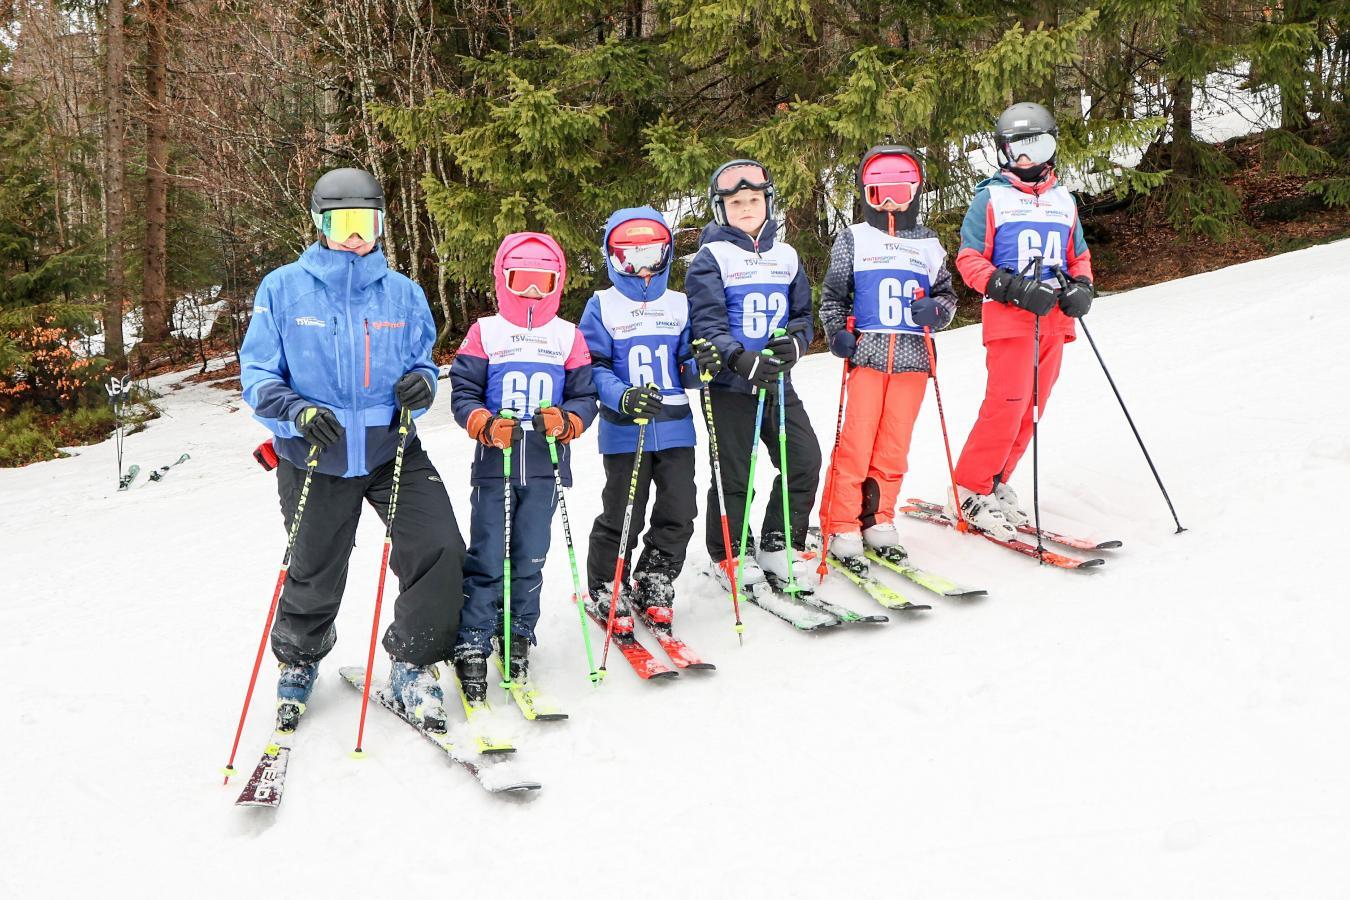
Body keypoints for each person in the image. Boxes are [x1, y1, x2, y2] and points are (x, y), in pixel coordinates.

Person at [240, 167, 466, 733]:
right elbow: (258, 372)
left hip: (392, 449)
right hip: (315, 454)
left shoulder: (403, 293)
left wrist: (423, 384)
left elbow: (422, 360)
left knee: (439, 547)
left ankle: (414, 661)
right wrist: (295, 411)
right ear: (320, 224)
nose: (356, 236)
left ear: (382, 224)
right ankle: (299, 658)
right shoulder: (283, 288)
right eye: (342, 224)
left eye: (366, 222)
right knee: (314, 567)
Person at [449, 231, 598, 700]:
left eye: (542, 282)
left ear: (557, 282)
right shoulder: (485, 331)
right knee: (488, 554)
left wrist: (568, 420)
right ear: (503, 279)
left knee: (531, 554)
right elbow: (463, 392)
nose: (532, 292)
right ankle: (473, 638)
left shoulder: (568, 335)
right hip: (496, 462)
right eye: (522, 281)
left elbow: (585, 396)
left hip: (544, 464)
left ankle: (516, 632)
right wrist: (483, 423)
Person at [949, 102, 1096, 539]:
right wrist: (1011, 287)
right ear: (1004, 152)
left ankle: (996, 480)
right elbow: (969, 260)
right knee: (1007, 405)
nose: (1028, 159)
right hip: (1011, 320)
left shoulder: (1064, 200)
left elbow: (1079, 257)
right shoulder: (990, 198)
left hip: (1054, 320)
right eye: (1018, 150)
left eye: (1038, 147)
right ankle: (969, 487)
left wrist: (1082, 288)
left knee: (1033, 407)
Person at [578, 207, 723, 627]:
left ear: (666, 253)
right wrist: (623, 396)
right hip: (626, 429)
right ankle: (607, 582)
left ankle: (655, 575)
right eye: (630, 258)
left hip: (675, 427)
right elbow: (594, 367)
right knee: (624, 510)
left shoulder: (678, 304)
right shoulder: (602, 305)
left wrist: (703, 366)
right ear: (612, 257)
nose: (642, 269)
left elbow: (687, 367)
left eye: (651, 256)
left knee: (680, 508)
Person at [686, 160, 821, 590]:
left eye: (753, 200)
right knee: (734, 474)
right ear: (720, 209)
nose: (746, 208)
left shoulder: (787, 256)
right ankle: (730, 552)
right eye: (736, 202)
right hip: (730, 385)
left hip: (777, 381)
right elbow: (707, 322)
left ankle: (780, 542)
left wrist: (795, 345)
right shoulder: (711, 257)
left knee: (803, 458)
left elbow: (802, 316)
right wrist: (738, 358)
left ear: (768, 202)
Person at [818, 145, 958, 561]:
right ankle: (841, 521)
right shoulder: (854, 238)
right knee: (856, 443)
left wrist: (937, 310)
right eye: (881, 194)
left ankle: (878, 517)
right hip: (868, 358)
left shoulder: (928, 242)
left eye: (901, 192)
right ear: (867, 195)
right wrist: (837, 334)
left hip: (913, 361)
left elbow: (946, 295)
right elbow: (833, 297)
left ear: (915, 192)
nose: (892, 203)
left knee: (894, 445)